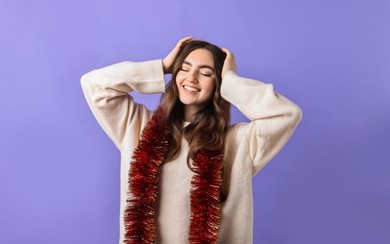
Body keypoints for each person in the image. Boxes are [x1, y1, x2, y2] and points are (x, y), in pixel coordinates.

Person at [80, 36, 302, 244]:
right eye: (184, 68)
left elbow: (287, 114)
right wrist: (161, 67)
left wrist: (232, 82)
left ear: (219, 83)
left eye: (205, 73)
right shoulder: (138, 127)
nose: (191, 78)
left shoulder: (238, 141)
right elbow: (94, 84)